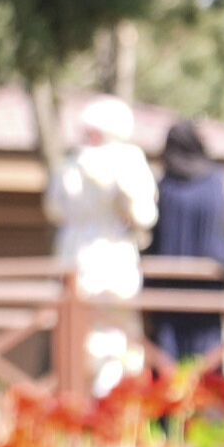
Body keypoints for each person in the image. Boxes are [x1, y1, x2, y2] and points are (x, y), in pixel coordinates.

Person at [43, 92, 156, 396]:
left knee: (110, 339)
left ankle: (105, 398)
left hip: (95, 257)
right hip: (97, 256)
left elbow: (143, 214)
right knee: (87, 335)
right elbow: (145, 215)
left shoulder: (84, 163)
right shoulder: (81, 163)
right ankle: (88, 401)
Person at [142, 118, 224, 369]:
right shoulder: (217, 181)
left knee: (168, 352)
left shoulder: (166, 186)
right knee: (207, 349)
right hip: (209, 282)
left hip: (168, 284)